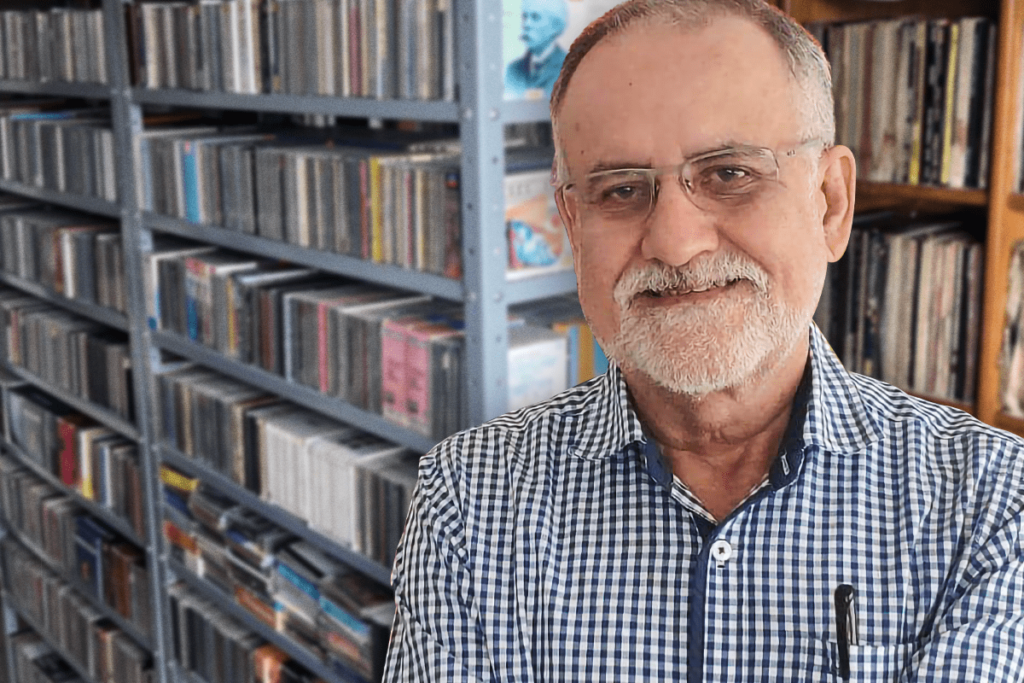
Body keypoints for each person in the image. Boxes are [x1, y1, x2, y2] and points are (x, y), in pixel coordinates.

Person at [384, 0, 1024, 680]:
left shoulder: (991, 509)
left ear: (830, 203)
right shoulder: (468, 499)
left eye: (730, 173)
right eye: (621, 188)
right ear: (573, 226)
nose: (675, 242)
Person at [505, 0, 569, 100]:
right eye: (525, 16)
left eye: (535, 17)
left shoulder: (570, 68)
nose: (526, 24)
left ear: (556, 26)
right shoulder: (513, 70)